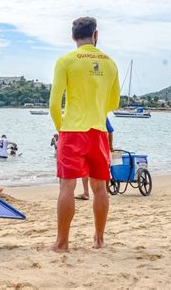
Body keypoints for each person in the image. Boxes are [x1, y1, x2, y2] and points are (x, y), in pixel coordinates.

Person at [49, 17, 120, 252]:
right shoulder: (110, 63)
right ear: (96, 35)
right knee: (100, 188)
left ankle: (62, 243)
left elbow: (53, 104)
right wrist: (96, 112)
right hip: (98, 131)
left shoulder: (66, 61)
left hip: (72, 131)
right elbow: (114, 103)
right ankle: (99, 240)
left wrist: (62, 128)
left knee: (66, 187)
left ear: (73, 37)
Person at [76, 118, 115, 200]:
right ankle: (106, 192)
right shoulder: (101, 113)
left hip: (85, 143)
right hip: (101, 145)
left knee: (85, 169)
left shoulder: (83, 114)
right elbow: (110, 130)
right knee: (104, 168)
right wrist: (110, 146)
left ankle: (86, 193)